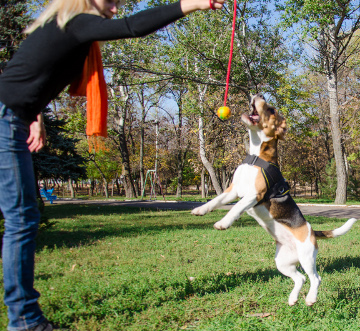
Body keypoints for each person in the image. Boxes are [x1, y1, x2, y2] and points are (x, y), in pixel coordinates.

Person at [0, 0, 225, 330]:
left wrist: (33, 114)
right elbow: (132, 28)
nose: (116, 9)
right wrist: (191, 4)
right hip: (6, 118)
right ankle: (25, 321)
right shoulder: (77, 22)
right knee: (21, 217)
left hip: (13, 116)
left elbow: (31, 71)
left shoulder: (67, 28)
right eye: (112, 1)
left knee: (21, 216)